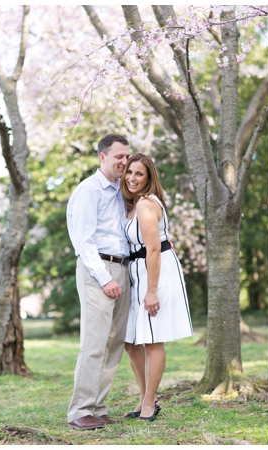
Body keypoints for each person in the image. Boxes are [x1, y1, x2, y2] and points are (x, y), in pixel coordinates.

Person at [65, 134, 131, 431]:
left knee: (114, 342)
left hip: (123, 268)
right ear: (102, 157)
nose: (124, 162)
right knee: (94, 342)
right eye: (118, 156)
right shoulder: (88, 190)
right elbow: (83, 241)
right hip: (97, 270)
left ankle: (99, 407)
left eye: (126, 156)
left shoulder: (123, 190)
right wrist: (105, 279)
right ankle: (80, 409)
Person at [120, 153, 192, 422]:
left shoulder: (146, 205)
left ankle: (150, 403)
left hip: (155, 272)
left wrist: (151, 291)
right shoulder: (134, 204)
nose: (132, 178)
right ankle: (145, 396)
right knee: (130, 341)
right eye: (129, 172)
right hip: (138, 272)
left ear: (149, 177)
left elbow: (153, 249)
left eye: (139, 173)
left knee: (152, 339)